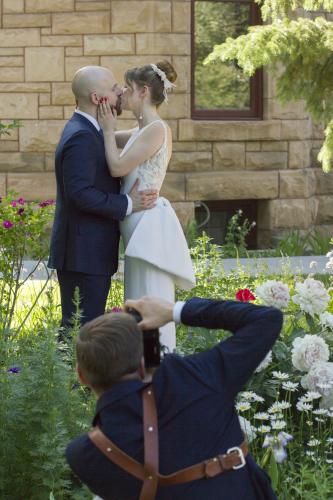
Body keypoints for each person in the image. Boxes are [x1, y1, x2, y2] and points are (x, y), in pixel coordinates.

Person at [66, 294, 283, 500]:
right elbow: (267, 319)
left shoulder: (85, 455)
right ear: (143, 362)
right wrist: (174, 311)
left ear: (81, 375)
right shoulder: (198, 377)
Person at [48, 66, 158, 329]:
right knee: (80, 330)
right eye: (113, 88)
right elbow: (80, 195)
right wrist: (128, 203)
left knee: (85, 329)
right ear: (98, 99)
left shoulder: (92, 130)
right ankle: (68, 372)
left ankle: (74, 370)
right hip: (82, 254)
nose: (120, 91)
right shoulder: (82, 136)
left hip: (87, 252)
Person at [97, 60, 195, 352]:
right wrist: (98, 123)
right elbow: (110, 137)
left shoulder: (156, 129)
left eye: (127, 89)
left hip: (147, 226)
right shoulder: (141, 129)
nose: (123, 94)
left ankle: (160, 363)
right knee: (136, 299)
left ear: (142, 91)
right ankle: (141, 364)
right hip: (135, 222)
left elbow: (116, 167)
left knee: (149, 296)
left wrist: (106, 129)